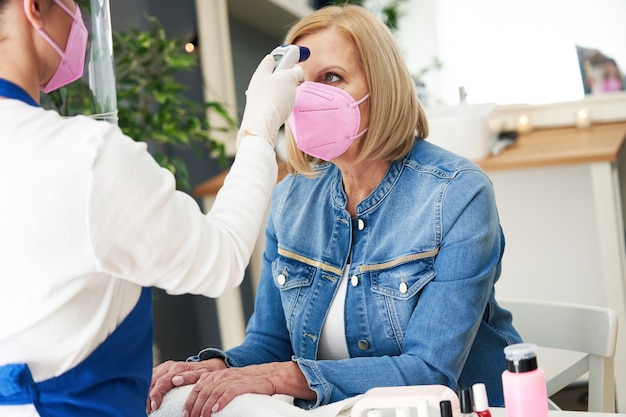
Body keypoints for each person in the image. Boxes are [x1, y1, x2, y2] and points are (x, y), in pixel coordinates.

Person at [148, 5, 522, 417]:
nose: (309, 98)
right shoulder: (291, 198)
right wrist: (217, 367)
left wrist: (283, 377)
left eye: (332, 78)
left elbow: (430, 372)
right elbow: (270, 344)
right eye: (299, 85)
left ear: (380, 87)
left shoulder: (456, 194)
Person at [0, 0, 304, 415]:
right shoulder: (84, 158)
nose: (80, 21)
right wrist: (260, 128)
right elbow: (221, 258)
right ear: (34, 6)